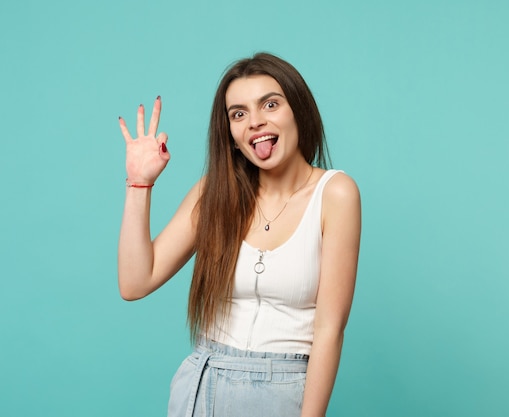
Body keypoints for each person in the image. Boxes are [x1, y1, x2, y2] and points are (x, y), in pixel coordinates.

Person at [117, 52, 361, 417]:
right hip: (202, 386)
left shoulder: (335, 193)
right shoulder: (214, 192)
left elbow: (329, 330)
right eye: (239, 114)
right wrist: (139, 183)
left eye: (270, 104)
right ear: (229, 133)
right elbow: (135, 283)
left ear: (298, 110)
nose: (255, 122)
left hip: (284, 390)